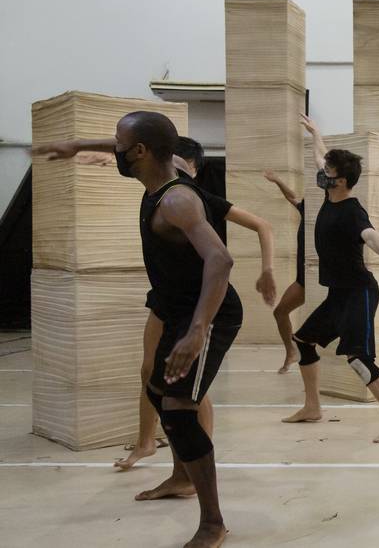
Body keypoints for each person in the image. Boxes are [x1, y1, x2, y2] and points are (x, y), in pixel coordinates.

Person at [35, 112, 242, 548]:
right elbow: (145, 138)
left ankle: (212, 522)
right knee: (156, 388)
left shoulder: (176, 200)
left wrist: (198, 330)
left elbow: (220, 261)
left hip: (209, 313)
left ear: (141, 153)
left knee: (180, 410)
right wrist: (78, 146)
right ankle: (181, 478)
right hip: (178, 308)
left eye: (118, 144)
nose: (115, 150)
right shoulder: (158, 175)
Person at [113, 137, 277, 471]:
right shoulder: (158, 192)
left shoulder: (195, 198)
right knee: (151, 372)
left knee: (187, 390)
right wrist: (80, 148)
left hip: (196, 300)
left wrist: (268, 270)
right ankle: (147, 441)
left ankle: (196, 458)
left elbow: (261, 225)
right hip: (164, 296)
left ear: (191, 167)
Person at [282, 114, 379, 445]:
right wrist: (316, 134)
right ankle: (312, 407)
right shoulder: (329, 195)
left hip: (360, 293)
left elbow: (370, 235)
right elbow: (320, 158)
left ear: (341, 182)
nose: (323, 176)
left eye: (328, 174)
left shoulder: (353, 210)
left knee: (359, 358)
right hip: (338, 294)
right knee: (303, 341)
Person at [263, 168, 305, 373]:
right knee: (280, 312)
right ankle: (291, 351)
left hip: (327, 280)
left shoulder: (336, 213)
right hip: (304, 279)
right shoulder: (309, 208)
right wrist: (277, 180)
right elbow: (293, 196)